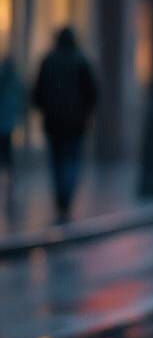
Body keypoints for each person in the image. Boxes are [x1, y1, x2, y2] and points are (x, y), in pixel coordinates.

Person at [32, 27, 98, 221]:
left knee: (57, 161)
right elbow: (92, 94)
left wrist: (45, 107)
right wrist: (85, 112)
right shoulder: (81, 61)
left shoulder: (48, 61)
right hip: (75, 123)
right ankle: (65, 198)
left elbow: (37, 92)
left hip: (53, 122)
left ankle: (61, 198)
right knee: (71, 161)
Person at [0, 56, 24, 210]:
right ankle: (11, 182)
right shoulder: (15, 82)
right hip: (8, 124)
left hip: (5, 123)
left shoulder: (5, 81)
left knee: (6, 154)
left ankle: (10, 182)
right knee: (8, 155)